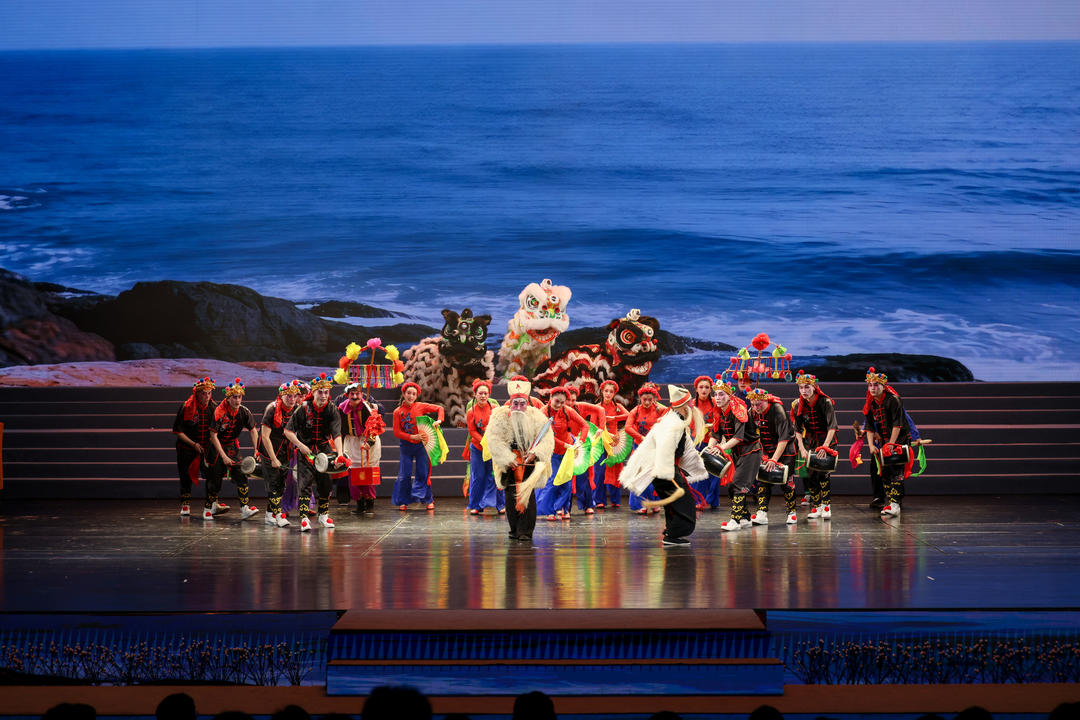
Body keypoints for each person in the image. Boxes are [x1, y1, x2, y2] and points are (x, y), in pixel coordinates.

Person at [620, 385, 706, 545]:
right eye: (689, 403)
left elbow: (684, 449)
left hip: (667, 469)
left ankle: (671, 533)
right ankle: (673, 535)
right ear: (683, 406)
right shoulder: (672, 423)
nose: (692, 406)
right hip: (665, 469)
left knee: (675, 504)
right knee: (684, 503)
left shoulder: (676, 421)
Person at [486, 379, 555, 543]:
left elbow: (547, 439)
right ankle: (514, 529)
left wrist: (535, 454)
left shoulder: (537, 416)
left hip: (528, 461)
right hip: (510, 462)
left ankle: (525, 531)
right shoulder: (500, 416)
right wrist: (507, 458)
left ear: (527, 403)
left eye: (522, 404)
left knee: (528, 495)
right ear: (510, 403)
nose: (518, 407)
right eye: (515, 403)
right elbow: (494, 439)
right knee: (510, 495)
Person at [284, 372, 345, 531]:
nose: (323, 396)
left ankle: (323, 515)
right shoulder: (303, 408)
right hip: (306, 450)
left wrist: (339, 454)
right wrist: (300, 445)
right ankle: (304, 519)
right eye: (320, 392)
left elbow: (337, 434)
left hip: (324, 451)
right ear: (314, 392)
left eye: (326, 392)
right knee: (304, 484)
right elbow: (288, 431)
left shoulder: (332, 409)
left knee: (325, 484)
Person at [708, 380, 761, 532]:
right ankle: (745, 518)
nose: (718, 397)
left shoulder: (738, 410)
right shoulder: (719, 412)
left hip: (751, 451)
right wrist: (709, 449)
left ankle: (735, 520)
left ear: (729, 395)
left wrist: (720, 448)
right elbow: (715, 434)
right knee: (732, 486)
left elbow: (738, 437)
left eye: (721, 394)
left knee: (738, 485)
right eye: (716, 394)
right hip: (737, 452)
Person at [205, 378, 260, 522]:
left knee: (242, 476)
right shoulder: (219, 412)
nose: (237, 400)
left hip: (232, 448)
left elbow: (253, 430)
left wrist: (257, 449)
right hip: (216, 448)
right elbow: (213, 435)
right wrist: (223, 456)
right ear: (228, 398)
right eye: (234, 397)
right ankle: (208, 508)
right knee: (215, 481)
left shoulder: (244, 412)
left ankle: (245, 509)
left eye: (239, 397)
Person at [863, 367, 913, 517]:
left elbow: (898, 424)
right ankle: (891, 502)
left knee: (896, 471)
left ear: (883, 386)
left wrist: (891, 444)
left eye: (876, 385)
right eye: (870, 385)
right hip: (884, 442)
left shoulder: (893, 400)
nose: (873, 388)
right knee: (884, 472)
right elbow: (869, 427)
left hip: (899, 440)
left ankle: (895, 504)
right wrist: (871, 445)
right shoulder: (871, 403)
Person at [746, 387, 798, 525]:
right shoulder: (752, 412)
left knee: (786, 483)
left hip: (785, 450)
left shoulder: (777, 409)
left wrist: (774, 459)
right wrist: (762, 455)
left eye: (759, 404)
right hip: (766, 451)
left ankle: (792, 512)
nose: (756, 408)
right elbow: (751, 436)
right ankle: (762, 513)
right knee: (763, 481)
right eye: (753, 404)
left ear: (766, 400)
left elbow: (784, 437)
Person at [791, 370, 838, 520]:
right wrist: (801, 448)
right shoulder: (797, 405)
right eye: (801, 388)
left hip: (827, 440)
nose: (804, 390)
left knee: (823, 473)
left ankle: (826, 506)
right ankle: (817, 506)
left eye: (807, 387)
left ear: (814, 387)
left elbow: (832, 426)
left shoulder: (825, 402)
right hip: (810, 442)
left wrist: (825, 447)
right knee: (810, 474)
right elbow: (797, 429)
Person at [537, 386, 589, 520]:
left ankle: (564, 509)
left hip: (568, 451)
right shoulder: (543, 412)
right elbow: (546, 435)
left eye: (562, 402)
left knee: (567, 481)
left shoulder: (567, 410)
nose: (559, 405)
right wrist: (564, 444)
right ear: (550, 398)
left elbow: (585, 425)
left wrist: (580, 441)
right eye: (557, 401)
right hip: (552, 451)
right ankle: (550, 510)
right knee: (553, 480)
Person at [391, 382, 445, 511]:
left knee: (423, 472)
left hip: (421, 446)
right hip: (406, 447)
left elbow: (440, 409)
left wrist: (439, 420)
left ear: (416, 396)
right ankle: (403, 501)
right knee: (404, 474)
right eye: (409, 393)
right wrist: (412, 437)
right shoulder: (397, 412)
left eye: (414, 394)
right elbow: (396, 432)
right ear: (404, 394)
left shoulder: (420, 406)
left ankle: (428, 500)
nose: (411, 396)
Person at [172, 376, 217, 517]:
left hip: (206, 448)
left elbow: (215, 429)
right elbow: (178, 431)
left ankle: (212, 504)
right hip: (187, 449)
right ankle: (185, 504)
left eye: (209, 393)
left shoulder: (214, 408)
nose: (207, 396)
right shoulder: (186, 407)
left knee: (212, 476)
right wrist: (193, 444)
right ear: (197, 393)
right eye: (204, 393)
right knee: (185, 476)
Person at [260, 379, 302, 527]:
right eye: (288, 396)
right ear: (281, 395)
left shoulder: (296, 409)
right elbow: (265, 436)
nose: (292, 399)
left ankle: (269, 515)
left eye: (294, 396)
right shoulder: (272, 409)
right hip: (269, 450)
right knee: (273, 483)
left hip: (285, 451)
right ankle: (279, 516)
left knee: (280, 485)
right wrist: (273, 458)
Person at [338, 382, 385, 515]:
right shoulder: (341, 409)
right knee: (353, 475)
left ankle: (369, 504)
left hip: (367, 442)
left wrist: (369, 442)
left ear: (361, 394)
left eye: (357, 394)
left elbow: (375, 426)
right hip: (351, 442)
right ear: (347, 395)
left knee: (368, 474)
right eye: (352, 394)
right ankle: (359, 504)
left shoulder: (368, 408)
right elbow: (338, 427)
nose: (354, 397)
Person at [625, 383, 668, 515]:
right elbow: (627, 428)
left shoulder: (660, 410)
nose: (647, 402)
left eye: (650, 399)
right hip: (639, 447)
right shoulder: (635, 411)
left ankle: (654, 503)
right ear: (640, 398)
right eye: (645, 399)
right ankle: (640, 504)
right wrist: (641, 437)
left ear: (654, 399)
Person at [564, 384, 605, 515]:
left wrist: (601, 427)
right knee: (566, 478)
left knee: (583, 476)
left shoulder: (581, 406)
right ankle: (565, 508)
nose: (570, 403)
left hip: (580, 444)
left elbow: (600, 410)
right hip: (565, 446)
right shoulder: (559, 409)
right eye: (568, 400)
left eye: (573, 400)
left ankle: (588, 505)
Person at [465, 379, 504, 515]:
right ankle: (476, 505)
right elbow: (472, 431)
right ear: (475, 394)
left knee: (495, 475)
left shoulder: (495, 409)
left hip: (493, 448)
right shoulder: (471, 411)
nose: (483, 396)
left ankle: (500, 504)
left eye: (485, 393)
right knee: (478, 477)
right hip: (478, 448)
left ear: (489, 395)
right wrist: (484, 442)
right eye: (480, 393)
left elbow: (501, 426)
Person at [593, 379, 629, 509]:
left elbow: (629, 416)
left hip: (614, 443)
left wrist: (614, 418)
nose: (608, 394)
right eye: (606, 391)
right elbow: (594, 426)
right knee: (599, 472)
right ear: (602, 392)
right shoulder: (597, 407)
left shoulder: (617, 407)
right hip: (600, 443)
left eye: (611, 392)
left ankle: (615, 499)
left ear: (614, 393)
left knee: (615, 471)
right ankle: (599, 500)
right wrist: (606, 434)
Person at [691, 375, 721, 510]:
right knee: (698, 472)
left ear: (711, 389)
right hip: (696, 442)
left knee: (715, 473)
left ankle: (713, 500)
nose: (704, 390)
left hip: (713, 441)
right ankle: (698, 500)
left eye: (707, 387)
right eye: (701, 387)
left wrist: (710, 426)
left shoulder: (716, 402)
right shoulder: (691, 404)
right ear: (696, 389)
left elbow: (719, 421)